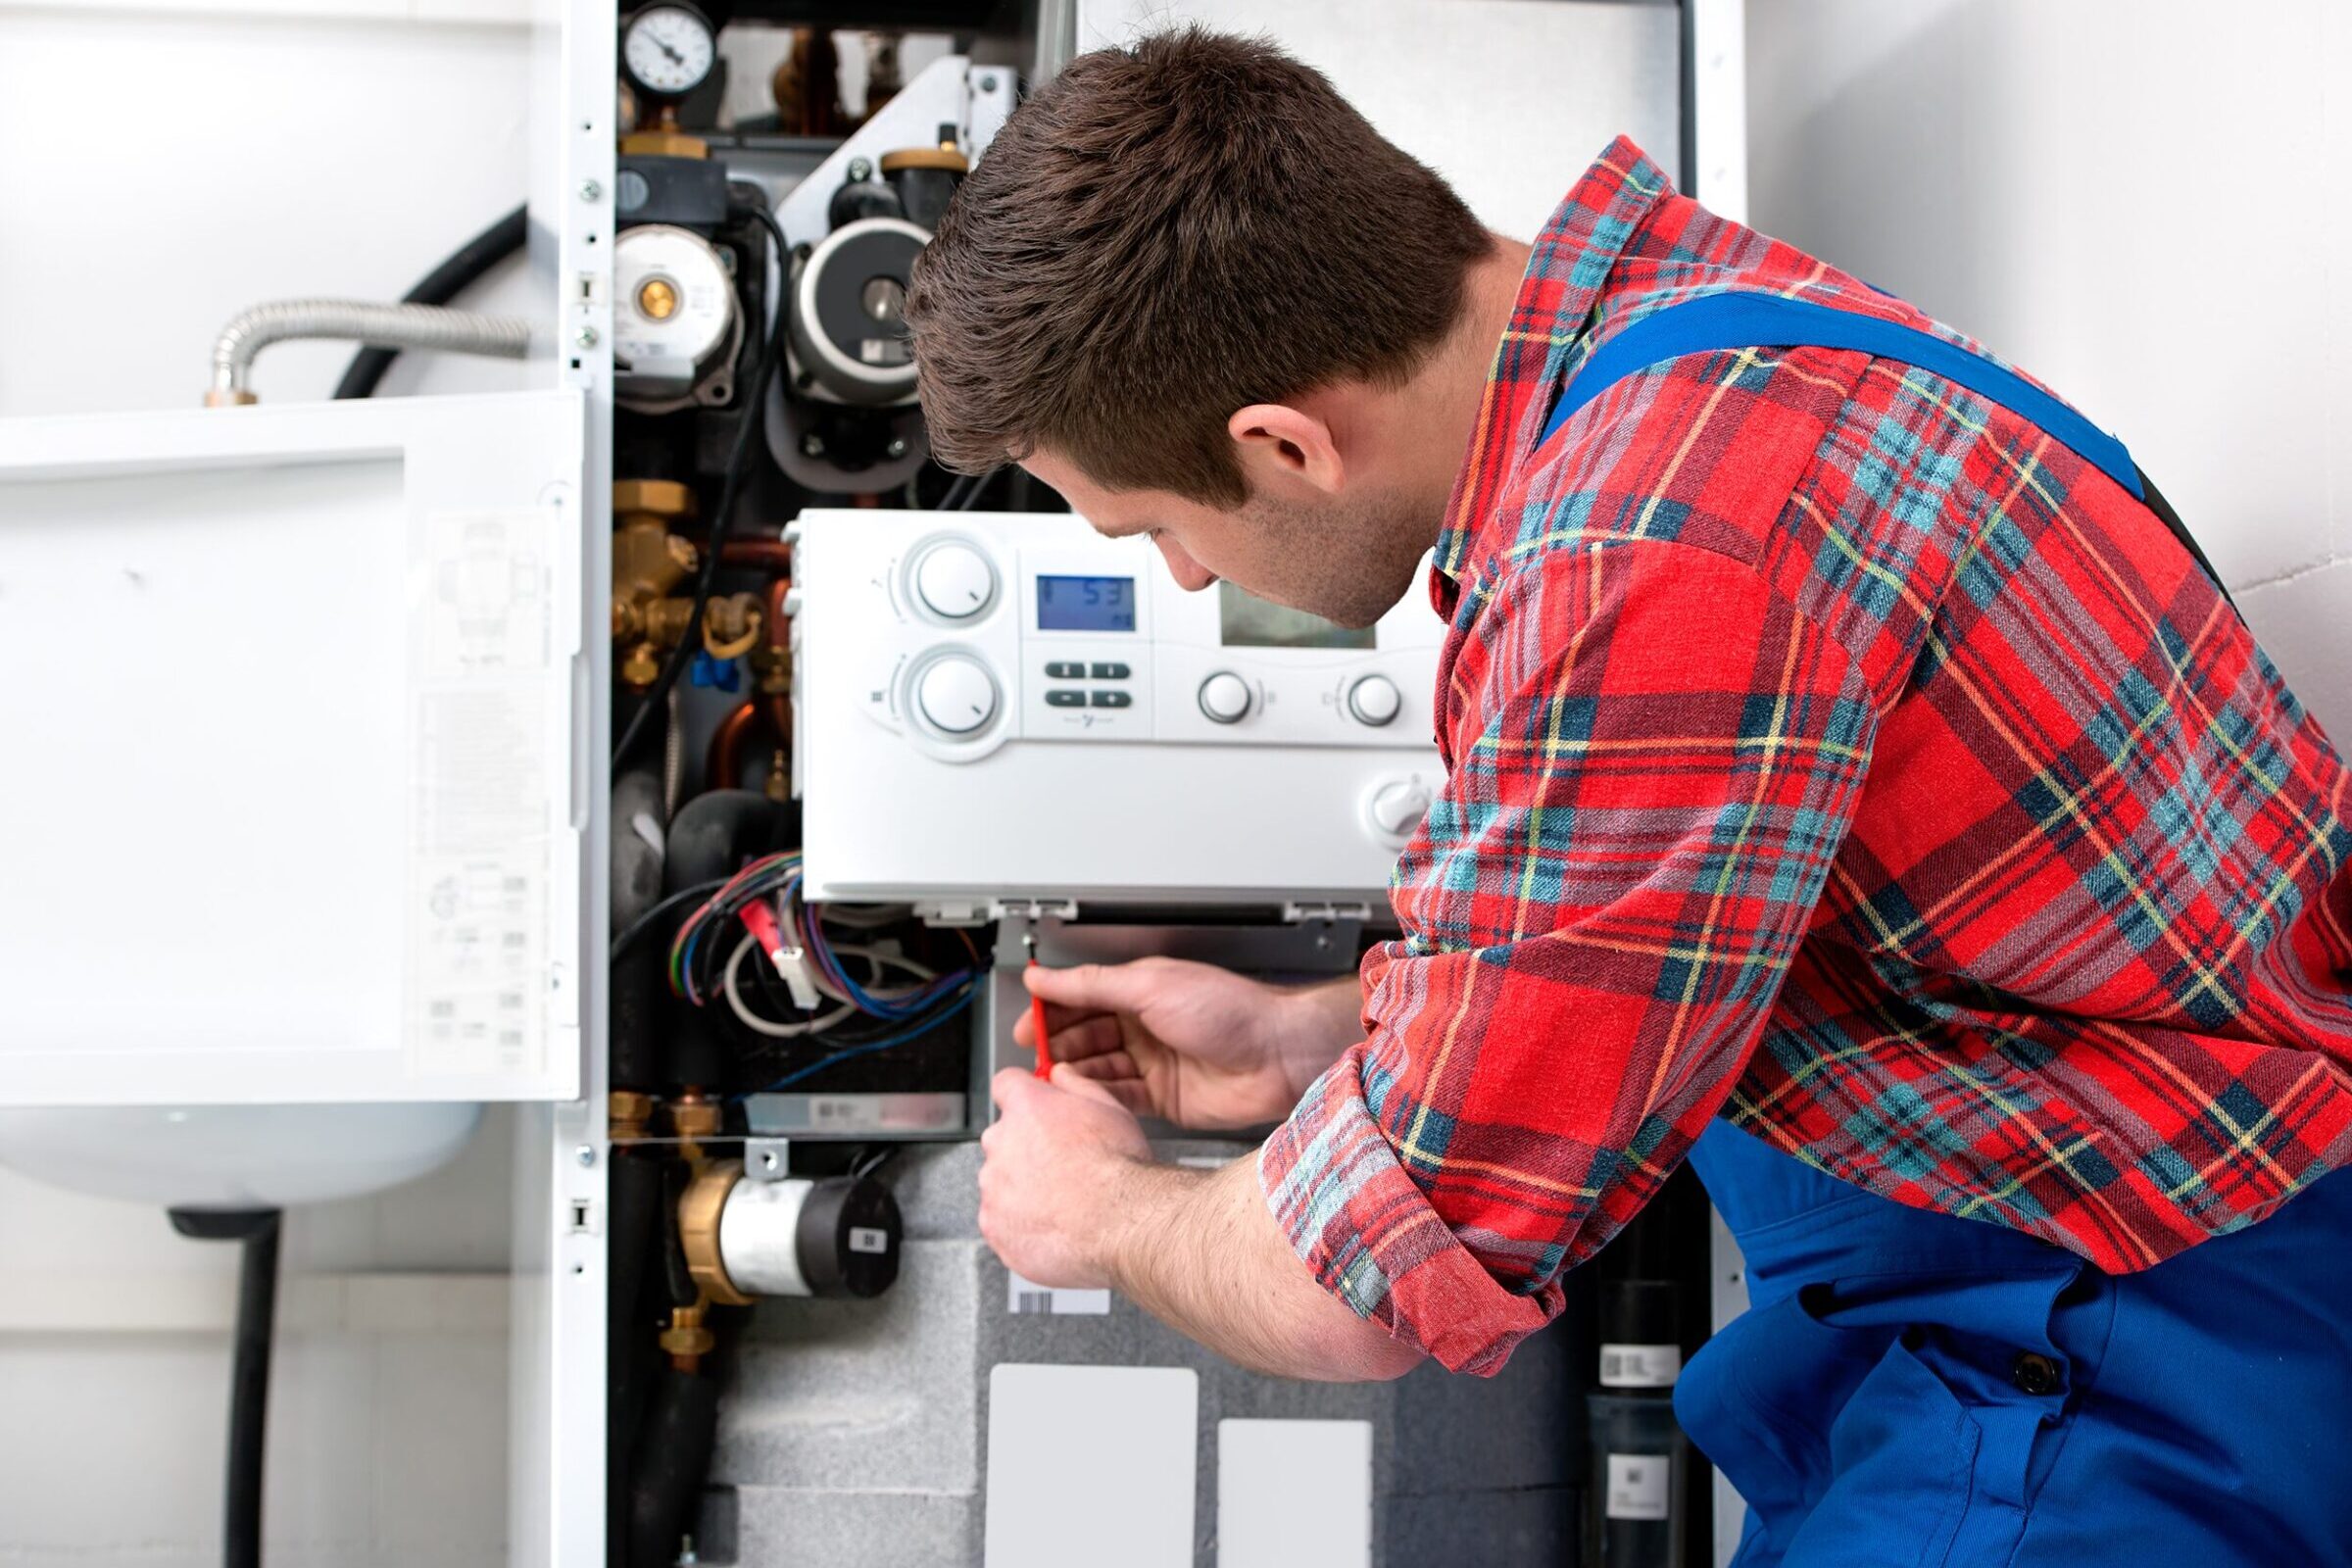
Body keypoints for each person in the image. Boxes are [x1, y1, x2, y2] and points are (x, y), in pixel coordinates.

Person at [903, 27, 2352, 1566]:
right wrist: (1304, 1040)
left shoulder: (1652, 559)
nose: (1186, 577)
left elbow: (1365, 1294)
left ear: (1283, 443)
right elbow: (1681, 933)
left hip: (2116, 1347)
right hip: (2040, 1268)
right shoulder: (1690, 335)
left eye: (1153, 531)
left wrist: (1105, 1216)